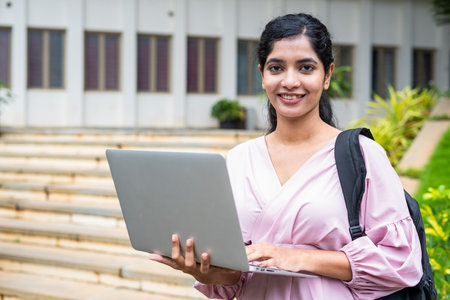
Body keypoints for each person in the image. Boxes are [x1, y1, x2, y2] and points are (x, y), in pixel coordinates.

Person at [149, 13, 423, 299]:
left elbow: (400, 262)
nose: (290, 81)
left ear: (327, 75)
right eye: (277, 68)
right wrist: (204, 270)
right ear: (262, 75)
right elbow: (237, 275)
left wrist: (297, 257)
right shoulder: (240, 159)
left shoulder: (362, 155)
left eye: (306, 68)